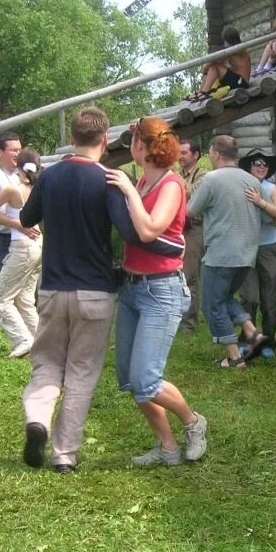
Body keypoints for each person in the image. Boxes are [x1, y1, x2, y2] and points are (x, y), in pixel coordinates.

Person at [19, 108, 183, 473]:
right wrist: (173, 249)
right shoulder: (109, 179)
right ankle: (64, 455)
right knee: (81, 370)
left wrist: (41, 187)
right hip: (95, 292)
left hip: (52, 288)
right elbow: (131, 232)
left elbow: (26, 219)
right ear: (105, 140)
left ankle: (38, 420)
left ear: (72, 138)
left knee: (46, 363)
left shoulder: (51, 175)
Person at [105, 116, 208, 467]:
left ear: (142, 147)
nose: (129, 148)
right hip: (132, 289)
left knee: (146, 380)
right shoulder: (145, 182)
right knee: (132, 380)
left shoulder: (170, 185)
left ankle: (194, 423)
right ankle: (167, 447)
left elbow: (149, 231)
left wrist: (128, 190)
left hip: (161, 292)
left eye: (133, 141)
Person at [187, 135, 266, 368]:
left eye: (210, 154)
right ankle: (253, 333)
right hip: (246, 254)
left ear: (216, 154)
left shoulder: (212, 179)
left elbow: (191, 211)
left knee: (212, 304)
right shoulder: (252, 181)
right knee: (225, 297)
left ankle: (234, 357)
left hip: (220, 253)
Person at [0, 149, 43, 359]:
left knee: (1, 299)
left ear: (19, 167)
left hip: (21, 247)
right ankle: (41, 342)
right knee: (25, 299)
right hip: (38, 245)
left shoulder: (13, 190)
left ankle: (23, 339)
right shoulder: (38, 186)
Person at [238, 150, 276, 358]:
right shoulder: (240, 187)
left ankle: (268, 342)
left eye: (265, 164)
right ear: (249, 165)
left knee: (270, 298)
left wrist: (261, 202)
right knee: (248, 298)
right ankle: (248, 339)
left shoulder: (271, 188)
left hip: (269, 249)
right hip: (245, 248)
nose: (261, 166)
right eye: (257, 163)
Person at [179, 140, 207, 332]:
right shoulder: (179, 175)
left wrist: (175, 183)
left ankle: (189, 323)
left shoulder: (203, 175)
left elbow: (195, 196)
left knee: (190, 276)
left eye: (184, 153)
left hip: (195, 229)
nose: (180, 157)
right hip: (179, 228)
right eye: (178, 153)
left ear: (196, 155)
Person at [186, 26, 251, 103]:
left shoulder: (239, 50)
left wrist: (205, 69)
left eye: (225, 41)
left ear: (228, 40)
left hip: (242, 83)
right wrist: (206, 71)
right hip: (236, 81)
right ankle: (200, 92)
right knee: (212, 67)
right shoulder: (232, 50)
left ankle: (204, 92)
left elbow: (213, 61)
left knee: (214, 66)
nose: (224, 43)